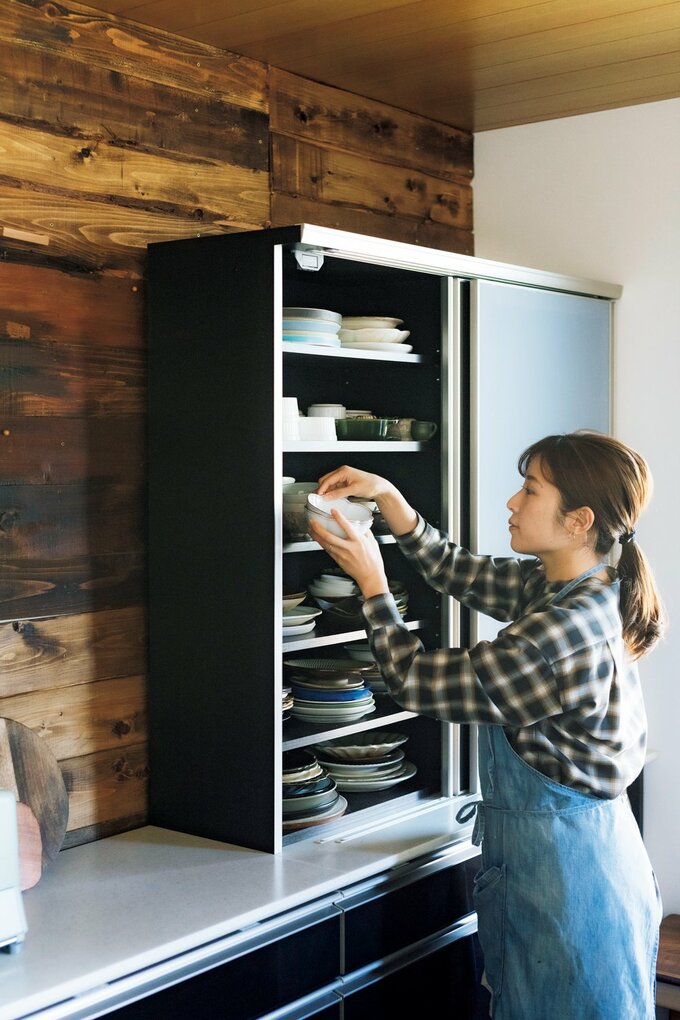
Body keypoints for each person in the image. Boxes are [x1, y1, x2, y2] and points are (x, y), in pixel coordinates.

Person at [306, 430, 665, 1020]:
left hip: (568, 880)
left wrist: (373, 584)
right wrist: (390, 499)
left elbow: (418, 682)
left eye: (531, 490)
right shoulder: (580, 586)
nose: (512, 502)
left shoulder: (560, 632)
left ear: (579, 521)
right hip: (580, 857)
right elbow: (461, 571)